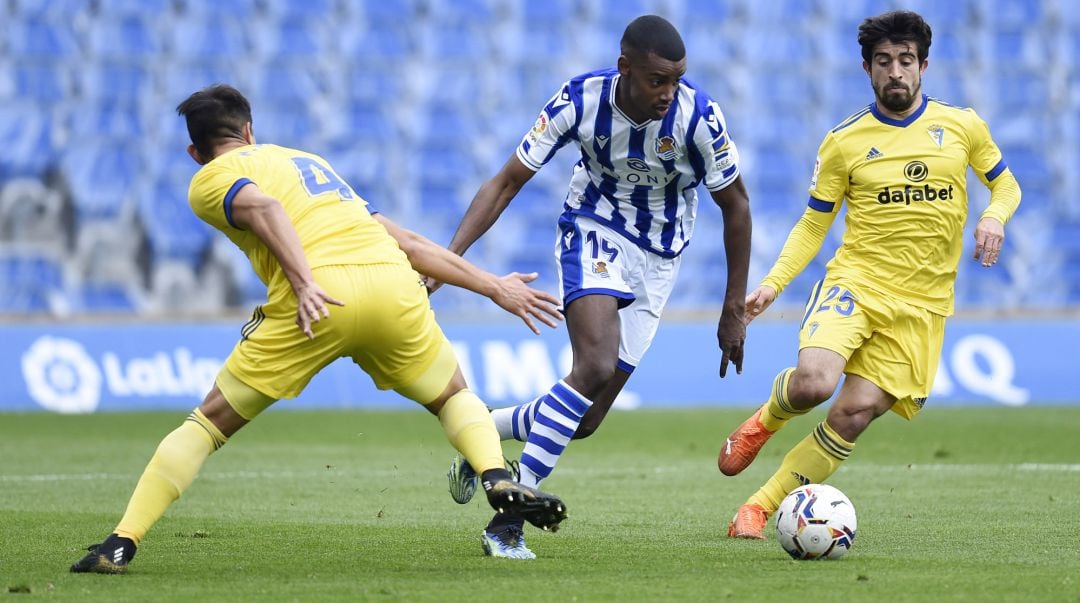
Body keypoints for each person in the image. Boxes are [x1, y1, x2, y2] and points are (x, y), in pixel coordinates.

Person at [70, 84, 569, 574]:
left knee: (208, 423)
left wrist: (306, 283)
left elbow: (264, 208)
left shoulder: (210, 179)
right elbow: (409, 242)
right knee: (454, 396)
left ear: (195, 151)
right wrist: (492, 286)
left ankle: (121, 542)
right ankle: (497, 478)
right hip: (392, 284)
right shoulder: (311, 164)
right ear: (249, 129)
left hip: (318, 298)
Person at [438, 15, 752, 559]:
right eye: (658, 80)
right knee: (595, 365)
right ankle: (509, 521)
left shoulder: (699, 118)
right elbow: (507, 180)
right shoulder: (579, 100)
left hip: (658, 259)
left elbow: (737, 206)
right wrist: (446, 259)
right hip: (594, 229)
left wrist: (733, 311)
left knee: (585, 420)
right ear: (625, 68)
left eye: (677, 79)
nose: (668, 93)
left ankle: (481, 436)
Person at [719, 10, 1021, 539]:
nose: (896, 72)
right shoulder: (844, 141)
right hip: (855, 284)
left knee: (852, 416)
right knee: (815, 384)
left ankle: (759, 508)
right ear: (867, 68)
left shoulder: (962, 126)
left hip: (922, 307)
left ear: (924, 66)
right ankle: (765, 419)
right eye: (884, 62)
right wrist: (772, 284)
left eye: (906, 61)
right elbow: (814, 226)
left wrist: (993, 218)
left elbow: (1007, 186)